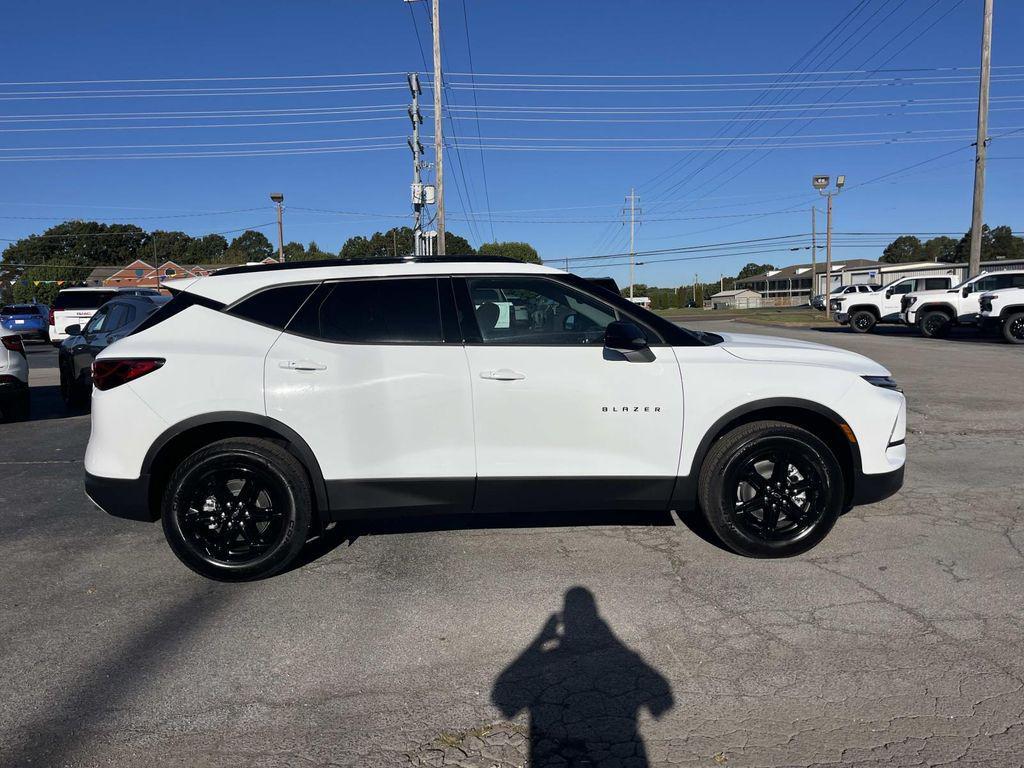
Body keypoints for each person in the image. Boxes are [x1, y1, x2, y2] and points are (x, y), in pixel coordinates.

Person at [492, 586, 674, 767]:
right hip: (617, 755)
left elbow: (503, 698)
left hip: (558, 755)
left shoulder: (549, 658)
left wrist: (540, 640)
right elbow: (663, 700)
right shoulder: (624, 659)